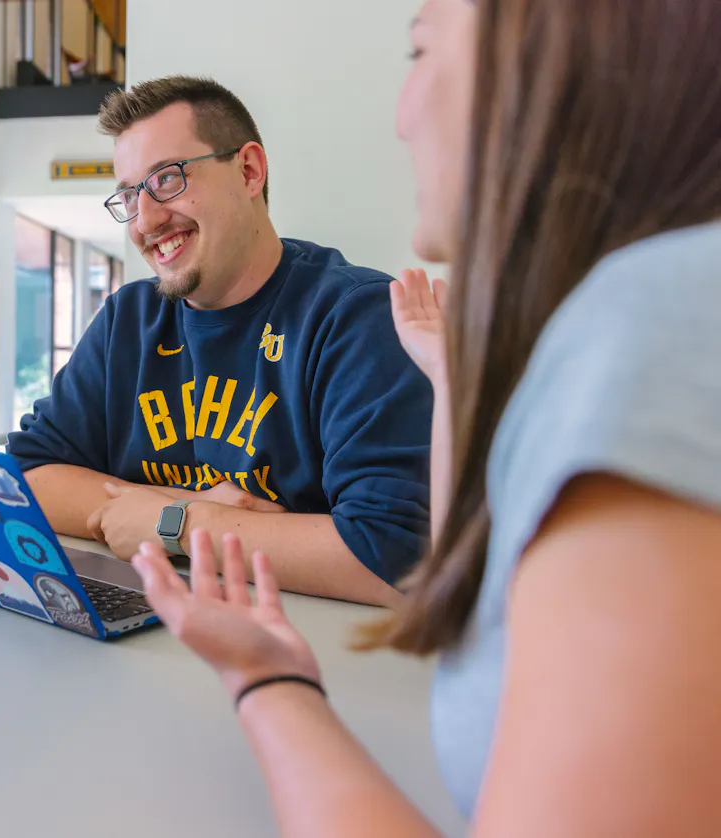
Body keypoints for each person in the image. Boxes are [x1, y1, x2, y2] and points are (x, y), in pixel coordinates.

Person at [132, 0, 721, 833]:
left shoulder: (657, 331)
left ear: (549, 54)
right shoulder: (618, 324)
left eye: (419, 50)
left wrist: (269, 686)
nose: (403, 119)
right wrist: (450, 382)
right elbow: (472, 609)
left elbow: (393, 557)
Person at [7, 76, 432, 604]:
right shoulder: (128, 319)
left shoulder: (355, 316)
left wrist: (179, 526)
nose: (146, 220)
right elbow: (29, 477)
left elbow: (395, 557)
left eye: (166, 179)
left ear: (249, 171)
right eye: (129, 195)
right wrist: (191, 507)